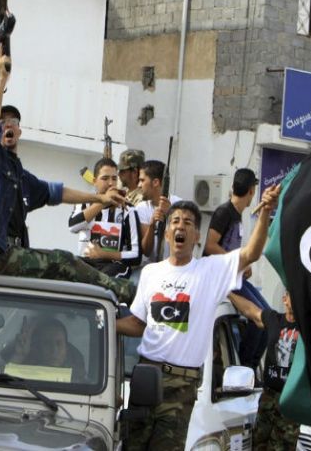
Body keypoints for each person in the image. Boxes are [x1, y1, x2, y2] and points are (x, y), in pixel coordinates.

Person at [116, 187, 279, 451]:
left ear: (196, 237)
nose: (181, 226)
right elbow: (137, 324)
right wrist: (102, 326)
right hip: (145, 378)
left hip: (181, 385)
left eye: (188, 223)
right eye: (175, 221)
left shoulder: (209, 271)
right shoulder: (150, 273)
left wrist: (265, 214)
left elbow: (251, 254)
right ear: (168, 233)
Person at [0, 49, 134, 304]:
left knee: (53, 290)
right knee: (63, 261)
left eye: (12, 121)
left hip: (15, 256)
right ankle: (127, 292)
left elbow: (57, 193)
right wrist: (2, 79)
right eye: (3, 121)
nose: (7, 125)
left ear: (20, 130)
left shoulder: (22, 177)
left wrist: (99, 199)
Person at [203, 167, 270, 369]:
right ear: (251, 191)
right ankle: (244, 367)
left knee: (267, 316)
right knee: (258, 317)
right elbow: (210, 245)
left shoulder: (236, 215)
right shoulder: (224, 212)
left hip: (234, 275)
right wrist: (237, 262)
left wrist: (242, 266)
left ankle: (252, 364)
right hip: (221, 277)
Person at [228, 290, 300, 450]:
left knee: (281, 447)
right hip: (268, 397)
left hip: (290, 401)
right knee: (258, 444)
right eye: (293, 295)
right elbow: (250, 310)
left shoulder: (308, 327)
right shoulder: (275, 320)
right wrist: (227, 292)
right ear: (285, 299)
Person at [68, 158, 142, 278]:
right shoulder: (83, 204)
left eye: (114, 178)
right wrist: (103, 201)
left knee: (107, 277)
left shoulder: (128, 209)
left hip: (113, 266)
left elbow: (136, 256)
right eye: (105, 178)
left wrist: (104, 254)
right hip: (85, 262)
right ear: (94, 181)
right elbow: (72, 227)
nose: (111, 183)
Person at [1, 316, 86, 382]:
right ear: (39, 348)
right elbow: (4, 384)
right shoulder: (25, 372)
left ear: (66, 349)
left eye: (59, 344)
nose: (54, 350)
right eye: (47, 343)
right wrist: (20, 355)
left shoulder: (78, 380)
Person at [135, 160, 182, 265]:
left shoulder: (179, 204)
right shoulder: (141, 208)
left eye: (142, 180)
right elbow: (146, 251)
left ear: (155, 182)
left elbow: (186, 242)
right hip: (149, 268)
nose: (139, 185)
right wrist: (152, 225)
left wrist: (172, 214)